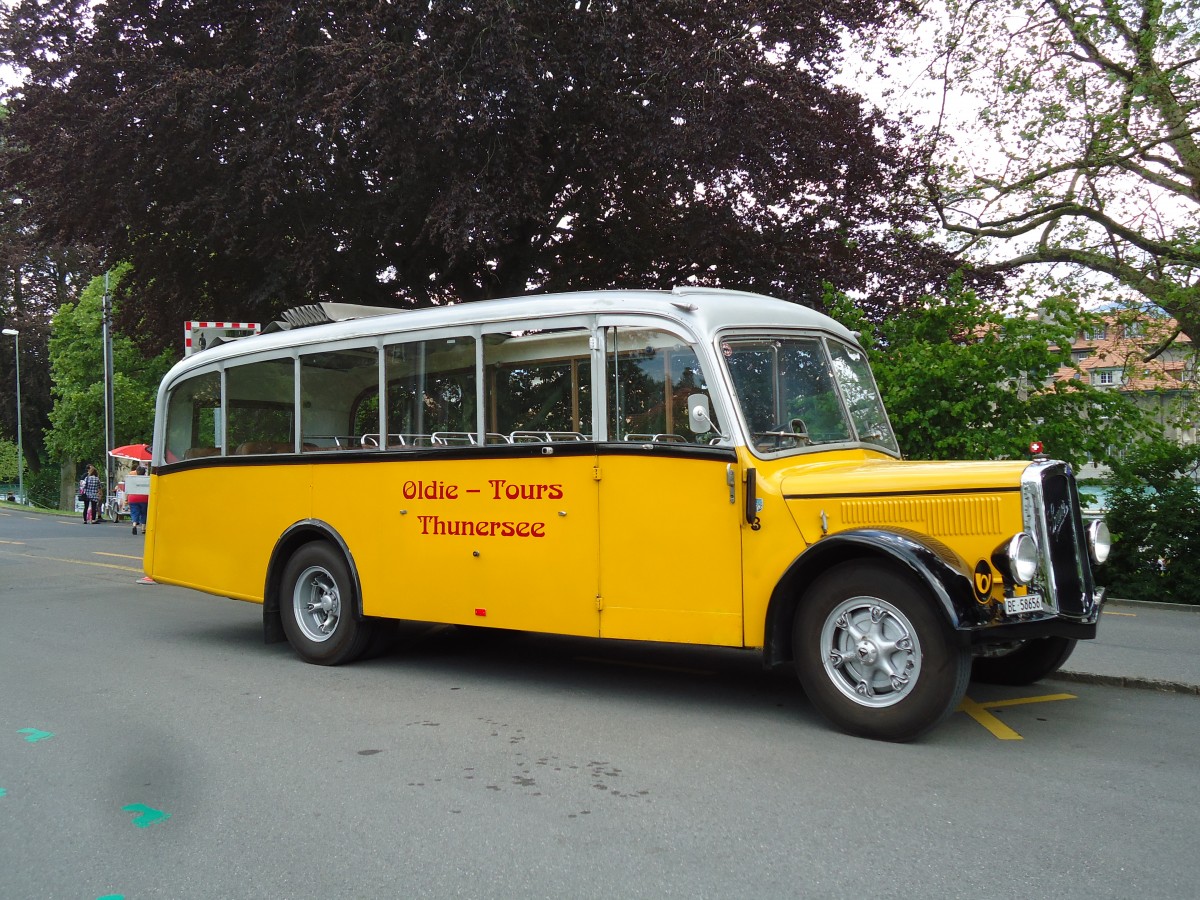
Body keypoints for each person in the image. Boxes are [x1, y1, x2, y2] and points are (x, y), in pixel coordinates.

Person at [127, 464, 149, 535]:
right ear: (144, 472)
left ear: (136, 472)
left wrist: (126, 499)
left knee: (134, 513)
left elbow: (127, 489)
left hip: (133, 498)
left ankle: (134, 525)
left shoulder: (132, 479)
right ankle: (143, 528)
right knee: (144, 513)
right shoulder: (147, 479)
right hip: (144, 498)